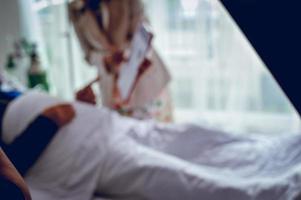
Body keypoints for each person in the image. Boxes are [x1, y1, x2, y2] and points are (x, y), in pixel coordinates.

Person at [1, 88, 301, 200]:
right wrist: (47, 122)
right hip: (76, 155)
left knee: (192, 138)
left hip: (97, 124)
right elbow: (10, 167)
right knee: (177, 175)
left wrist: (70, 103)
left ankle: (281, 152)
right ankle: (279, 190)